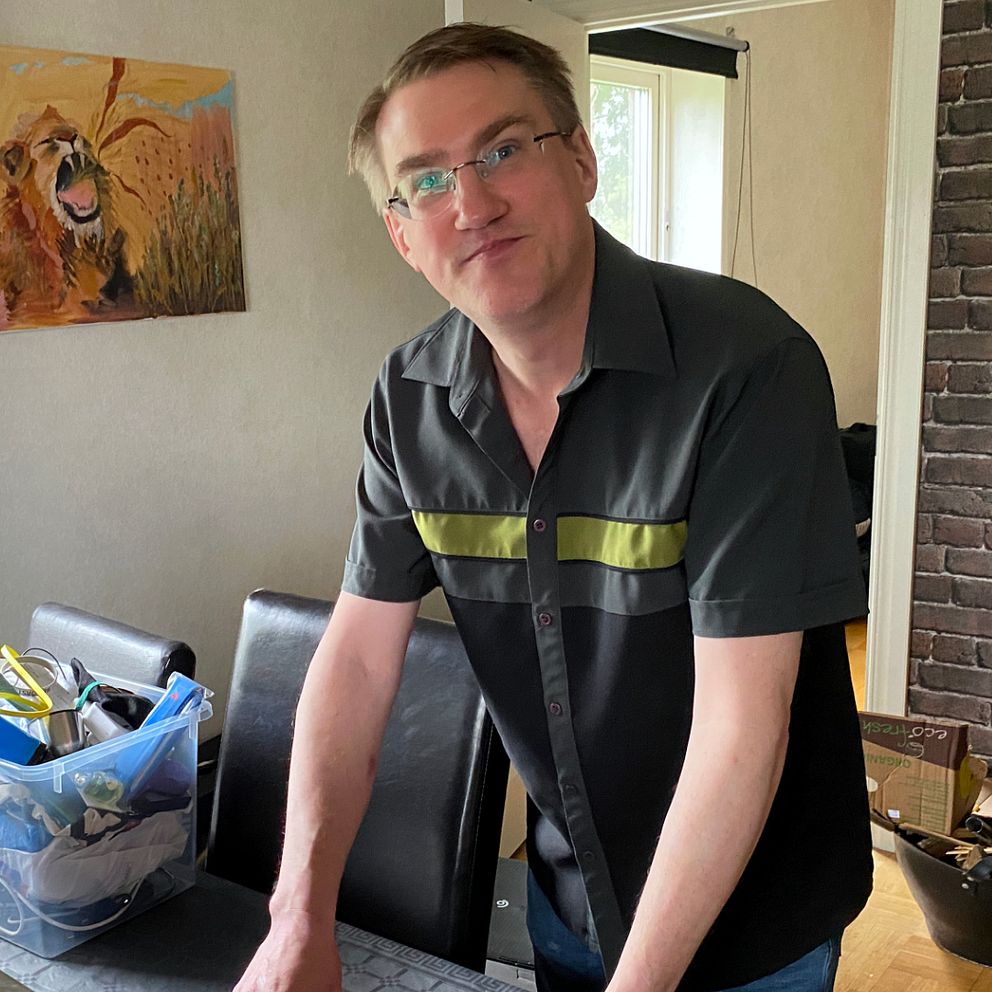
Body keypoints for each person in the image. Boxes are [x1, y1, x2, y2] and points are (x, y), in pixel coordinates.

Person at [235, 22, 872, 992]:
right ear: (402, 233)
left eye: (501, 150)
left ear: (580, 159)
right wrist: (297, 917)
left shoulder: (746, 368)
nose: (473, 204)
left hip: (753, 924)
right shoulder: (408, 400)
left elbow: (743, 722)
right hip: (568, 903)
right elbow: (357, 661)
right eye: (428, 180)